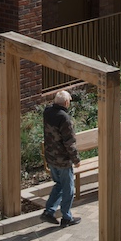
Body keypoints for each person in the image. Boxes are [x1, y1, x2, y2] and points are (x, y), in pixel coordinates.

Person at [39, 89, 81, 227]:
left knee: (59, 185)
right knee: (68, 189)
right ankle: (66, 217)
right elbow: (69, 142)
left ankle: (49, 211)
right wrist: (76, 159)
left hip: (51, 157)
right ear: (66, 102)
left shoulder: (47, 112)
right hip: (62, 160)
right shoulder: (64, 118)